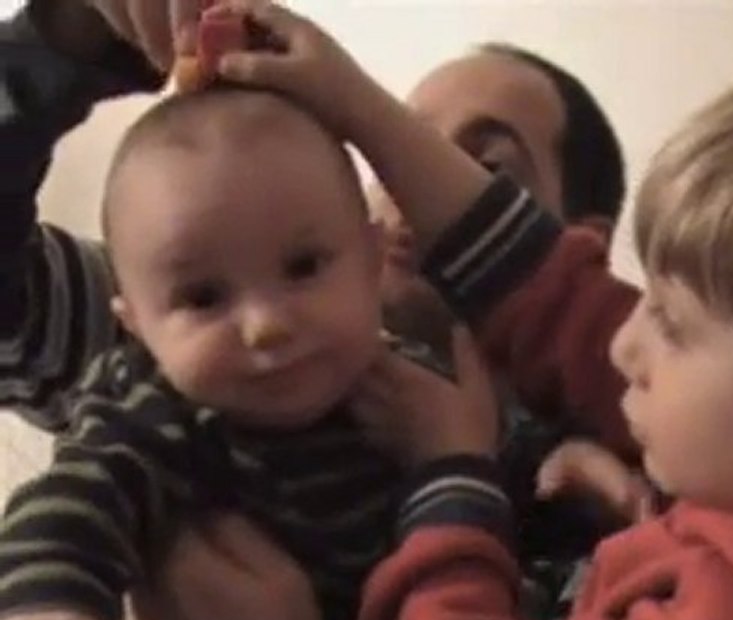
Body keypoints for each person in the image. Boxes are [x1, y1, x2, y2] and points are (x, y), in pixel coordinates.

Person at [110, 5, 733, 620]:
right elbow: (561, 305)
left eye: (672, 322)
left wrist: (452, 474)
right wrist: (351, 100)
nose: (624, 346)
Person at [0, 0, 638, 458]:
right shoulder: (192, 329)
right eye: (386, 151)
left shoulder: (624, 469)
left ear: (588, 242)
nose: (403, 189)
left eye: (482, 168)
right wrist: (64, 37)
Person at [0, 82, 445, 620]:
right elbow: (80, 494)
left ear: (370, 260)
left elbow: (503, 489)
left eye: (303, 266)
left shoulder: (420, 389)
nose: (265, 325)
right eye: (204, 297)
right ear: (136, 326)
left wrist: (549, 461)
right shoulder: (154, 410)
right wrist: (50, 599)